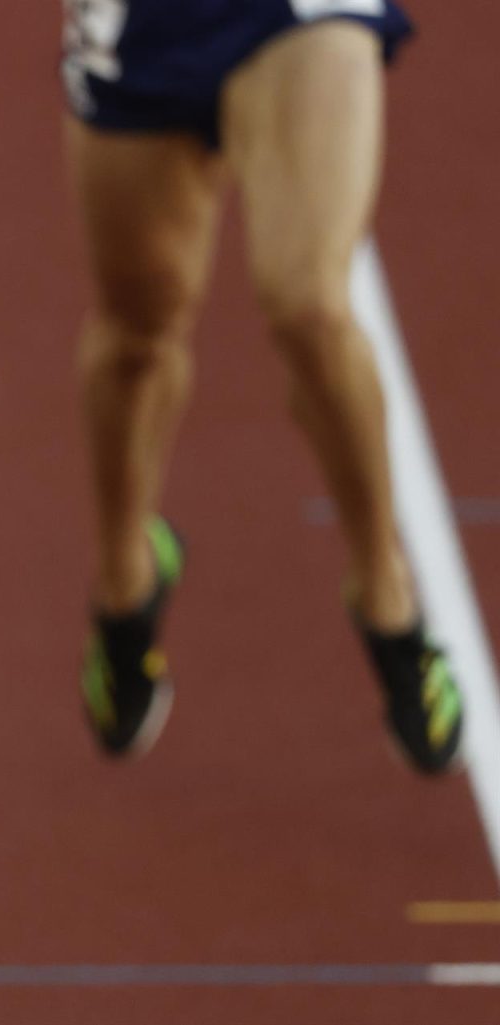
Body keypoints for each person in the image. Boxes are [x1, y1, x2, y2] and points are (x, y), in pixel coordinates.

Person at [60, 0, 464, 771]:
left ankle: (385, 591)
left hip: (300, 12)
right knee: (137, 331)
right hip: (140, 24)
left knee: (310, 303)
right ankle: (125, 578)